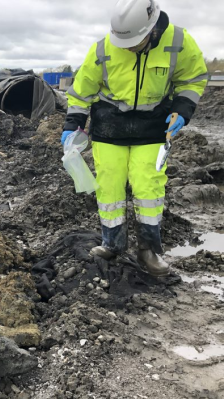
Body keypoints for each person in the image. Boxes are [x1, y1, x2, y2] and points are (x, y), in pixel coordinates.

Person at [62, 0, 207, 276]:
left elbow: (192, 78)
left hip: (153, 127)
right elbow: (82, 92)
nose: (127, 48)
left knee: (148, 187)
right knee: (109, 186)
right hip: (109, 127)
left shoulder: (178, 41)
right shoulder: (103, 48)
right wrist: (73, 123)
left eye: (133, 43)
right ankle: (112, 244)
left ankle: (148, 251)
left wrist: (182, 110)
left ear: (151, 29)